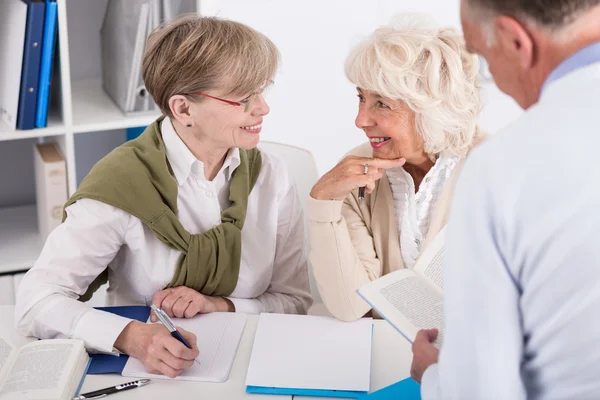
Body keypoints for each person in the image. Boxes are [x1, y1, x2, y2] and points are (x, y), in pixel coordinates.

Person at [15, 15, 312, 378]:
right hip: (148, 379)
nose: (262, 108)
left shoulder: (272, 175)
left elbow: (295, 301)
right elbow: (36, 302)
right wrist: (132, 337)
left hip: (255, 367)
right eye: (243, 98)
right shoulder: (120, 184)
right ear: (183, 109)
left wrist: (220, 305)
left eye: (262, 90)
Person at [410, 0, 600, 398]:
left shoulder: (502, 166)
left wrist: (433, 376)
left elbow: (480, 391)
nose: (491, 76)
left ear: (517, 41)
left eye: (482, 57)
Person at [308, 14, 483, 321]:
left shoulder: (495, 168)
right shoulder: (354, 173)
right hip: (383, 355)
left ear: (431, 107)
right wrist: (324, 202)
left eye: (382, 104)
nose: (360, 120)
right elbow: (351, 307)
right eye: (361, 98)